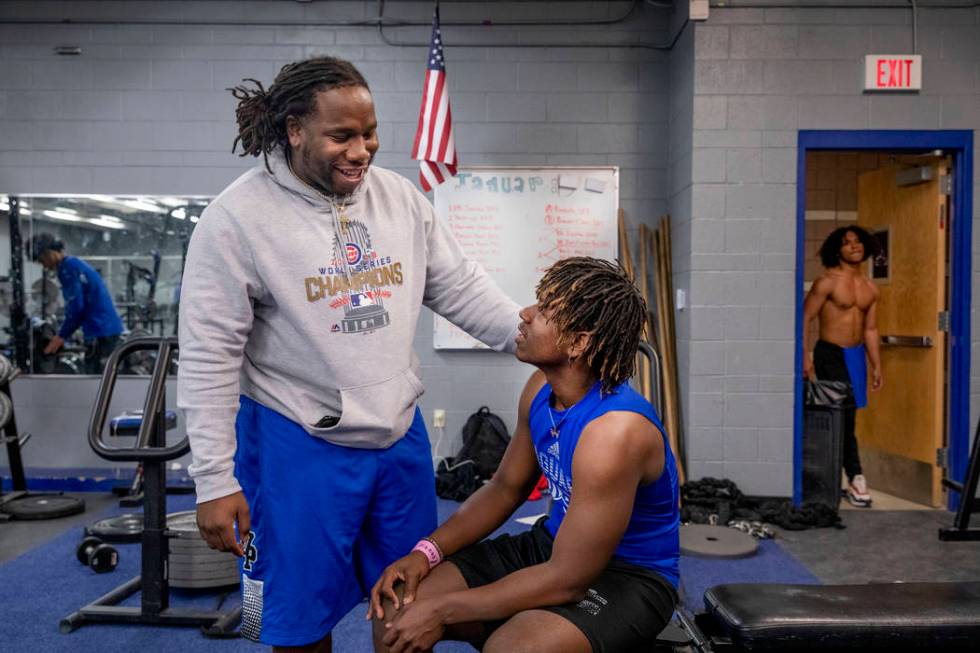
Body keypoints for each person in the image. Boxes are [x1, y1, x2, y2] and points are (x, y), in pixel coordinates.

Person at [176, 56, 519, 652]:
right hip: (294, 447)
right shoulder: (235, 220)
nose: (362, 150)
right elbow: (209, 359)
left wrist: (536, 340)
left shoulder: (400, 200)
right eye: (342, 136)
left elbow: (460, 287)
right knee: (290, 618)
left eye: (370, 134)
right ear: (294, 130)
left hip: (396, 439)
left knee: (411, 604)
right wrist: (212, 480)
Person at [369, 257, 680, 653]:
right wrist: (425, 553)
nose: (526, 314)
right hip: (555, 547)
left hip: (628, 576)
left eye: (545, 310)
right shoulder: (539, 390)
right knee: (395, 607)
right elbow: (504, 488)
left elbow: (568, 579)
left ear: (579, 342)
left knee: (512, 648)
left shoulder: (613, 434)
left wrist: (445, 610)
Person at [802, 225, 882, 508]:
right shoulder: (827, 282)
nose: (854, 246)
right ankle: (855, 476)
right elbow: (805, 317)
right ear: (838, 249)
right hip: (829, 353)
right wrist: (804, 354)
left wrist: (876, 365)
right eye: (847, 243)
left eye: (858, 242)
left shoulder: (870, 288)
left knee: (850, 418)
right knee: (841, 417)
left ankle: (848, 478)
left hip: (856, 355)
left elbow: (871, 329)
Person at [29, 232, 124, 374]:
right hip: (107, 329)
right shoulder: (74, 264)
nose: (44, 266)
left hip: (100, 332)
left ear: (49, 253)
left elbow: (76, 307)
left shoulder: (67, 269)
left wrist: (60, 336)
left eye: (42, 260)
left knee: (97, 382)